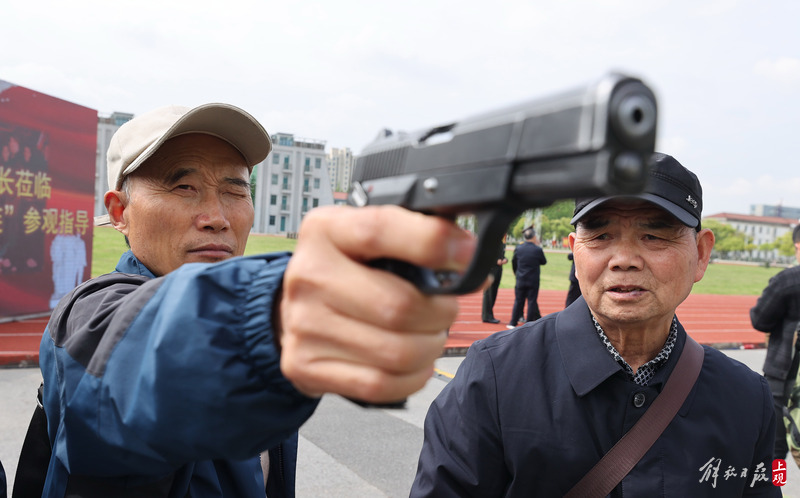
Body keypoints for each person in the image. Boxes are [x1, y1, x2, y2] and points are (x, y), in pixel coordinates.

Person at [34, 103, 475, 497]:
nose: (217, 218)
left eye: (235, 190)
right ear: (119, 212)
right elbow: (144, 357)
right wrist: (275, 314)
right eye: (184, 187)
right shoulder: (87, 319)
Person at [411, 153, 778, 496]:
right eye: (601, 236)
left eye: (653, 235)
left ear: (700, 254)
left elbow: (769, 480)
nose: (624, 259)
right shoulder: (492, 376)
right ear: (575, 251)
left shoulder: (750, 399)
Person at [751, 224, 800, 460]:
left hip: (783, 376)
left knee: (775, 451)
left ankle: (776, 489)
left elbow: (760, 319)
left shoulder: (788, 281)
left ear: (797, 245)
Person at [507, 227, 546, 328]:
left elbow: (514, 261)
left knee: (518, 301)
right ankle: (528, 324)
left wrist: (516, 272)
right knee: (532, 301)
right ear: (533, 237)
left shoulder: (518, 248)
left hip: (520, 278)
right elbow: (543, 261)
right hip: (533, 280)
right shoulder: (537, 249)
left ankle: (512, 322)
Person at [481, 235, 508, 324]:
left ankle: (489, 314)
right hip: (490, 269)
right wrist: (495, 261)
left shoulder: (501, 241)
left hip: (498, 269)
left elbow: (501, 254)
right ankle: (487, 316)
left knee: (493, 293)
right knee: (489, 293)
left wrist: (505, 259)